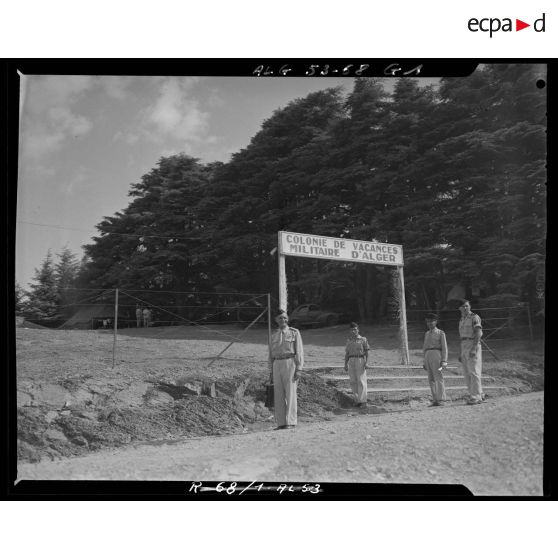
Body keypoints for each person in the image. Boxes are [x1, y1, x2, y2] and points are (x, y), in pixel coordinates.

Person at [270, 309, 304, 430]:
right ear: (276, 320)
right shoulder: (273, 334)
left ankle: (291, 421)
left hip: (290, 363)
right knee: (278, 394)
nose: (283, 320)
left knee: (290, 392)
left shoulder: (294, 332)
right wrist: (270, 370)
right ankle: (281, 423)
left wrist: (299, 368)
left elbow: (299, 351)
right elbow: (270, 354)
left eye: (285, 318)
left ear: (287, 319)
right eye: (280, 318)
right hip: (277, 363)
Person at [458, 299, 484, 405]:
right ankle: (478, 394)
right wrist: (461, 352)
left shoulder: (474, 317)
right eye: (463, 306)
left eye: (466, 306)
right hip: (464, 345)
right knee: (467, 372)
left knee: (474, 371)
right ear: (459, 308)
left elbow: (478, 332)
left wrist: (474, 348)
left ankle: (476, 397)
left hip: (473, 344)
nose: (465, 308)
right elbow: (461, 337)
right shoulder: (461, 319)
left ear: (470, 306)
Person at [422, 313, 448, 406]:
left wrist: (444, 360)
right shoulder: (427, 333)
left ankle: (441, 399)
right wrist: (424, 360)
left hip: (437, 354)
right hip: (428, 355)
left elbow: (444, 347)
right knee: (431, 378)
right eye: (428, 321)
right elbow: (424, 347)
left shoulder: (441, 333)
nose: (429, 323)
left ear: (436, 322)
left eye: (431, 321)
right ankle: (435, 399)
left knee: (438, 377)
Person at [344, 322, 370, 407]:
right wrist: (345, 364)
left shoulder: (363, 339)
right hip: (351, 360)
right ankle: (357, 400)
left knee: (361, 380)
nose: (353, 331)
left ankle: (363, 401)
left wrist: (366, 362)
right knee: (353, 381)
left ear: (358, 330)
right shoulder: (349, 341)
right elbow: (347, 353)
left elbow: (366, 352)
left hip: (360, 359)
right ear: (349, 331)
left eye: (355, 329)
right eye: (351, 330)